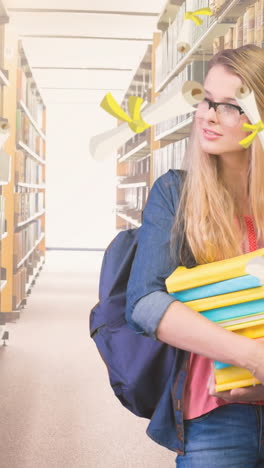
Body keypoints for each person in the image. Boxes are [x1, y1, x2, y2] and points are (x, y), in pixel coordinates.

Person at [126, 44, 264, 467]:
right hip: (217, 414)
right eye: (206, 100)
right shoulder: (176, 194)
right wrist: (252, 358)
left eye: (229, 106)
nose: (205, 114)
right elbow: (145, 304)